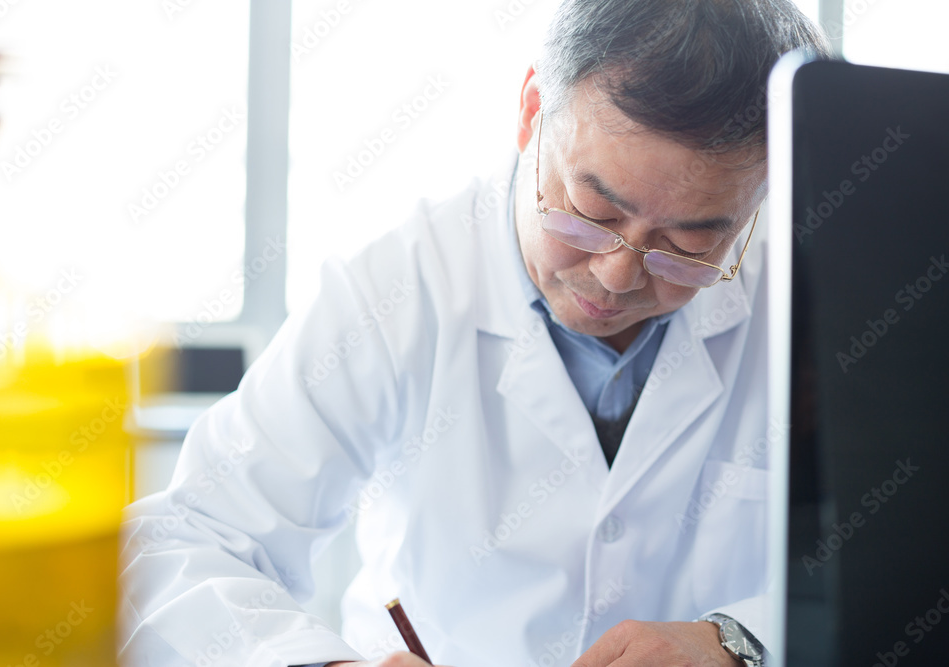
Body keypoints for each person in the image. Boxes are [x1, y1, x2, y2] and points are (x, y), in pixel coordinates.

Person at [119, 1, 830, 665]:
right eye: (591, 212)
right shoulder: (396, 286)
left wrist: (741, 642)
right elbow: (185, 540)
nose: (617, 275)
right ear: (530, 113)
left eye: (686, 243)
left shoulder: (819, 293)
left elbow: (910, 545)